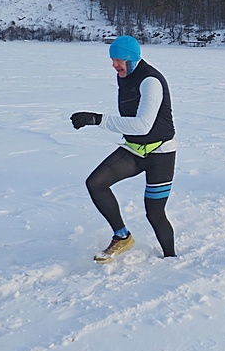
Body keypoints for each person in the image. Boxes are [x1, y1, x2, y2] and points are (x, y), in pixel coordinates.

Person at [71, 35, 177, 263]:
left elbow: (143, 125)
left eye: (119, 60)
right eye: (112, 60)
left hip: (161, 153)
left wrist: (97, 119)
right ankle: (122, 236)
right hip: (135, 150)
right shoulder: (126, 76)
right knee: (96, 183)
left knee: (155, 213)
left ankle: (171, 259)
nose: (114, 65)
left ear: (131, 59)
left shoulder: (151, 81)